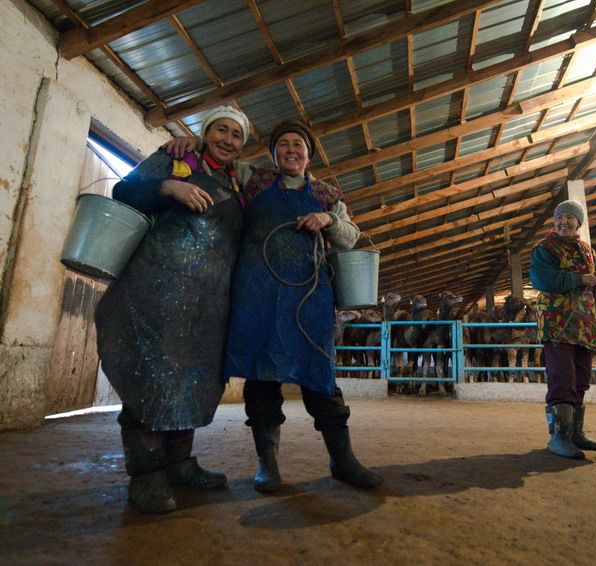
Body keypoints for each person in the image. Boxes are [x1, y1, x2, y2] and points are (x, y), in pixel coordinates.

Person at [166, 120, 382, 492]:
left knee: (320, 377)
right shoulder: (254, 181)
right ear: (274, 154)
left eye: (298, 145)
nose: (291, 151)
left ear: (309, 153)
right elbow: (217, 155)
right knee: (261, 379)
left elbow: (350, 238)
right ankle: (267, 464)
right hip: (258, 295)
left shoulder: (327, 193)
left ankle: (343, 460)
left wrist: (328, 218)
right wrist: (189, 142)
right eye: (283, 145)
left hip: (309, 298)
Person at [95, 105, 251, 513]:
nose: (228, 140)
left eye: (237, 135)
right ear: (205, 132)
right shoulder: (176, 157)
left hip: (208, 301)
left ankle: (180, 465)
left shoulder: (237, 180)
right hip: (159, 287)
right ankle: (146, 475)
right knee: (152, 374)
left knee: (194, 379)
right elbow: (124, 190)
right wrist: (168, 188)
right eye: (221, 130)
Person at [529, 199, 596, 459]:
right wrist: (578, 279)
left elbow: (586, 279)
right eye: (559, 217)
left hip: (584, 326)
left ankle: (576, 433)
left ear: (579, 222)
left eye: (569, 217)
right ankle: (559, 437)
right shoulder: (545, 248)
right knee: (562, 376)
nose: (563, 222)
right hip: (558, 323)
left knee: (581, 379)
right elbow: (542, 279)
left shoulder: (587, 250)